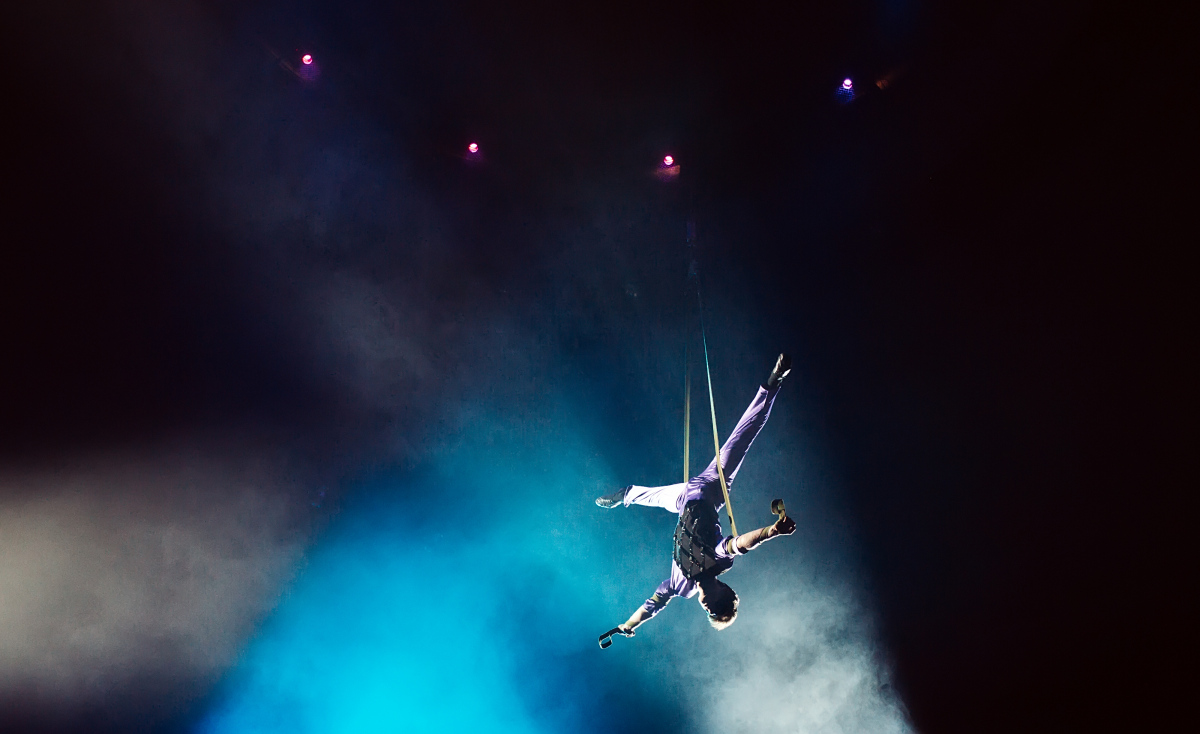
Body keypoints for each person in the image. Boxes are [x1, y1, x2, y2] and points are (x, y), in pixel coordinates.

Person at [596, 354, 798, 635]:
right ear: (724, 591)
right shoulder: (720, 561)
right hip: (709, 489)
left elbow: (653, 604)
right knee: (743, 437)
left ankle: (626, 494)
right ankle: (773, 384)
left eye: (710, 613)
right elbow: (741, 543)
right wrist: (771, 532)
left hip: (682, 501)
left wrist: (627, 625)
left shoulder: (681, 587)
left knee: (651, 497)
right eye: (717, 607)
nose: (708, 608)